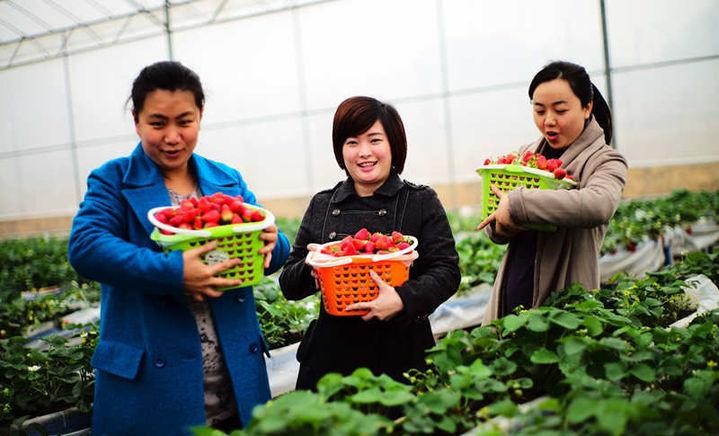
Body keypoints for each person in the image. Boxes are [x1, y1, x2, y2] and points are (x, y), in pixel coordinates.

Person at [67, 61, 290, 435]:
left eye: (184, 121)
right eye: (157, 123)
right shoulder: (114, 180)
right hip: (151, 388)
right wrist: (174, 272)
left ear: (200, 115)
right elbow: (87, 246)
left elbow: (269, 244)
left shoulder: (226, 180)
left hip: (234, 379)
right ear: (136, 120)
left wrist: (275, 244)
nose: (172, 136)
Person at [279, 96, 461, 390]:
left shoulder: (419, 201)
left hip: (401, 355)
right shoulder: (323, 205)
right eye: (352, 142)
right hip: (330, 359)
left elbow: (447, 271)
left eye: (374, 140)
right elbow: (288, 283)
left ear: (393, 145)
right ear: (341, 149)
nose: (364, 152)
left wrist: (403, 299)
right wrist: (312, 269)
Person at [478, 60, 628, 322]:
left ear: (586, 107)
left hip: (565, 304)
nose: (548, 121)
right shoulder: (526, 157)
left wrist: (519, 204)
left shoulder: (604, 160)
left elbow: (598, 204)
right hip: (511, 293)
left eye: (560, 110)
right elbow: (497, 219)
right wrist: (503, 225)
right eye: (539, 110)